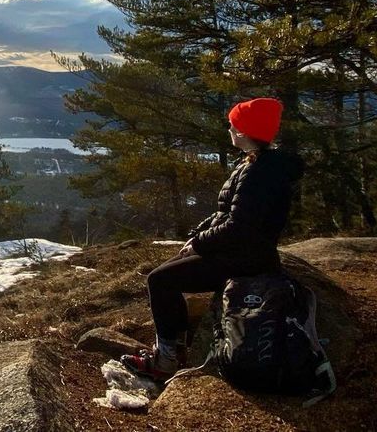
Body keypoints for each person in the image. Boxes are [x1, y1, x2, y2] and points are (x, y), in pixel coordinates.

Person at [120, 97, 303, 383]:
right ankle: (173, 348)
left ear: (243, 131)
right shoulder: (256, 163)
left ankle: (167, 359)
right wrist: (198, 235)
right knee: (165, 274)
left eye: (232, 124)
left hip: (245, 259)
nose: (228, 128)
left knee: (160, 280)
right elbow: (226, 212)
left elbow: (239, 227)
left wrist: (199, 244)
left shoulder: (259, 172)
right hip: (240, 251)